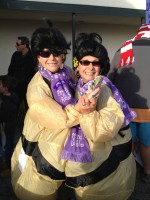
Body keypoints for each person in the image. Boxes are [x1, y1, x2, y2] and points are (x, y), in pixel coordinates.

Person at [11, 22, 99, 200]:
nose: (51, 57)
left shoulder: (66, 73)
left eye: (56, 52)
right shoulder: (37, 86)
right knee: (38, 187)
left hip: (63, 143)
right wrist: (78, 110)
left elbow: (78, 88)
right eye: (45, 53)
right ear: (37, 55)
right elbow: (56, 117)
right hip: (41, 145)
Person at [63, 32, 136, 200]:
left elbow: (103, 131)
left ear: (101, 66)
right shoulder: (79, 84)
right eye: (85, 62)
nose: (90, 67)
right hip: (93, 157)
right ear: (77, 65)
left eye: (95, 63)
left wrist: (87, 113)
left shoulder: (103, 89)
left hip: (106, 167)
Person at [108, 23, 150, 183]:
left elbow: (110, 80)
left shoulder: (122, 50)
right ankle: (147, 172)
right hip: (149, 110)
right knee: (147, 144)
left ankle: (127, 173)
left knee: (127, 143)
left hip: (124, 110)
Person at [8, 36, 35, 118]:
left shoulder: (33, 57)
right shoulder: (15, 55)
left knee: (30, 111)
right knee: (12, 110)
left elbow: (35, 73)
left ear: (25, 45)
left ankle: (30, 129)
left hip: (29, 89)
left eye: (17, 44)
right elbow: (10, 71)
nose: (16, 46)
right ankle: (13, 130)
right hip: (16, 88)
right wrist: (10, 85)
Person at [0, 75, 19, 177]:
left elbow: (2, 116)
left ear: (6, 87)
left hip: (8, 129)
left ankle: (8, 168)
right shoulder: (11, 97)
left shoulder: (8, 102)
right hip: (9, 128)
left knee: (8, 148)